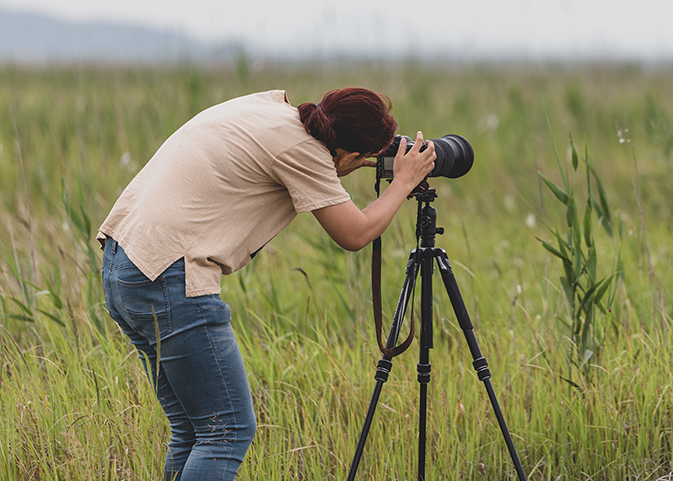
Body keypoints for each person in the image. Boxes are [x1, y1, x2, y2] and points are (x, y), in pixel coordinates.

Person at [97, 87, 436, 481]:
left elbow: (305, 155)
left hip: (126, 266)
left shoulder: (270, 109)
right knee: (227, 431)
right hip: (171, 279)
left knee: (193, 431)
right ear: (348, 154)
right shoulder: (304, 153)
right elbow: (355, 234)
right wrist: (402, 183)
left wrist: (358, 157)